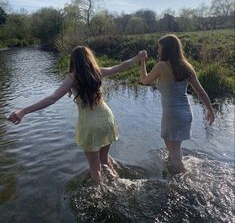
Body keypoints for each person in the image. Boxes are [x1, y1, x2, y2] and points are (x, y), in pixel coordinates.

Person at [7, 46, 141, 183]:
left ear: (73, 61)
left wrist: (23, 111)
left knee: (95, 168)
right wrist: (138, 58)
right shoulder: (97, 73)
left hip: (90, 125)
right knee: (105, 159)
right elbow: (119, 67)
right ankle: (118, 182)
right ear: (90, 59)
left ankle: (100, 194)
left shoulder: (72, 78)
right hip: (107, 119)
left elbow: (52, 99)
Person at [139, 34, 215, 173]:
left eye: (159, 48)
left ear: (166, 49)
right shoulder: (186, 66)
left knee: (174, 156)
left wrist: (142, 61)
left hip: (172, 116)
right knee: (174, 150)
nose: (157, 51)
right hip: (186, 114)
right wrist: (210, 109)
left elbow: (144, 80)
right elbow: (201, 92)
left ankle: (185, 183)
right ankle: (174, 174)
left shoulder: (161, 66)